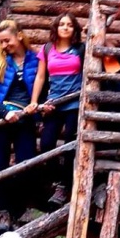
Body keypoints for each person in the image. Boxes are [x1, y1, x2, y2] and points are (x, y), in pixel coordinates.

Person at [0, 19, 40, 220]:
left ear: (20, 36)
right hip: (1, 122)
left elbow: (43, 88)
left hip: (25, 120)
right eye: (1, 42)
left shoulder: (36, 60)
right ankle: (2, 212)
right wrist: (3, 112)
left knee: (26, 165)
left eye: (7, 40)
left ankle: (16, 208)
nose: (5, 45)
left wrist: (39, 106)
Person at [30, 14, 84, 207]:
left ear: (74, 29)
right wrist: (37, 102)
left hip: (75, 104)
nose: (65, 27)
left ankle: (63, 186)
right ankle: (57, 180)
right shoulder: (46, 49)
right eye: (62, 24)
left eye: (69, 25)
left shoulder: (80, 49)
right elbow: (40, 77)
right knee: (46, 144)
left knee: (70, 143)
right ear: (56, 28)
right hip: (54, 104)